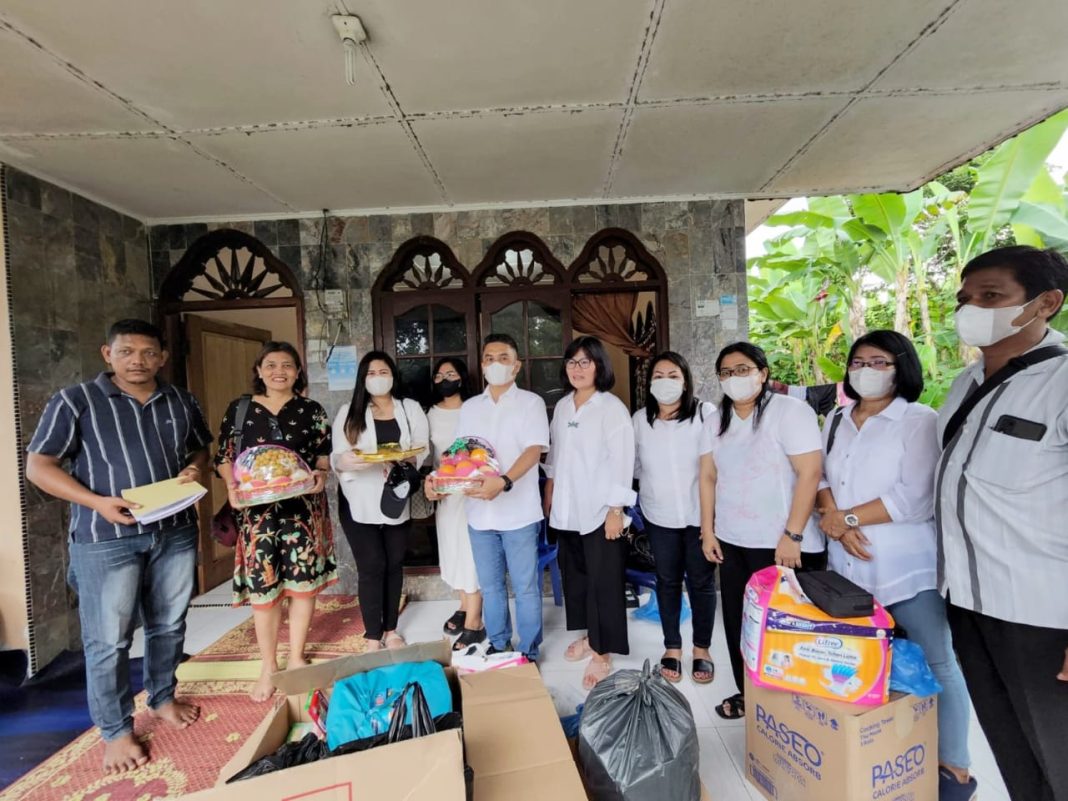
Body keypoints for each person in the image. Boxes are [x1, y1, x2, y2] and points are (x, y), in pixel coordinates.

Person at [25, 319, 212, 774]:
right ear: (107, 354)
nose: (139, 361)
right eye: (127, 352)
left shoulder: (180, 400)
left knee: (169, 623)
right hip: (104, 537)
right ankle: (115, 729)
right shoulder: (76, 401)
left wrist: (193, 470)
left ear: (163, 357)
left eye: (149, 353)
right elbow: (39, 465)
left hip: (174, 529)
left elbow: (200, 450)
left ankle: (163, 697)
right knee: (109, 639)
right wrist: (95, 502)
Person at [815, 330, 975, 801]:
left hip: (905, 566)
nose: (866, 369)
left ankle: (956, 767)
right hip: (846, 565)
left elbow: (916, 495)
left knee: (938, 661)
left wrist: (846, 517)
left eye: (879, 361)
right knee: (863, 662)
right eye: (859, 361)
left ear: (901, 366)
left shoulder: (918, 420)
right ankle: (880, 752)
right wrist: (835, 520)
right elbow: (823, 477)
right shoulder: (837, 419)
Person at [936, 245, 1068, 801]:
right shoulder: (964, 384)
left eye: (992, 296)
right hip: (968, 603)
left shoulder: (1060, 381)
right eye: (966, 298)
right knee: (1012, 747)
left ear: (1047, 303)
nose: (973, 308)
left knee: (1059, 756)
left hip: (1042, 615)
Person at [709, 342, 826, 720]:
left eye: (742, 369)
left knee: (784, 629)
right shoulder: (717, 420)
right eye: (726, 373)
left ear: (763, 372)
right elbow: (708, 476)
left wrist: (793, 535)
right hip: (732, 537)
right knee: (738, 622)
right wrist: (708, 531)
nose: (734, 378)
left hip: (780, 544)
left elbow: (810, 473)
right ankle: (748, 694)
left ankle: (791, 707)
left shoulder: (790, 412)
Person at [215, 342, 335, 702]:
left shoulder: (311, 410)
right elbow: (224, 456)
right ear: (259, 370)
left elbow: (322, 455)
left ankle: (297, 656)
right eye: (271, 364)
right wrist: (231, 486)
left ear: (298, 372)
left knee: (302, 586)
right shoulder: (240, 410)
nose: (279, 370)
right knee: (264, 592)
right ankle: (269, 665)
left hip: (302, 511)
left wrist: (322, 475)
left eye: (287, 365)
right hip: (258, 515)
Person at [543, 337, 636, 689]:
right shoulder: (564, 406)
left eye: (585, 362)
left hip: (600, 510)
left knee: (604, 582)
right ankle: (589, 636)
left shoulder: (611, 408)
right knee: (577, 577)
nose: (577, 368)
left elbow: (623, 460)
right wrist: (549, 492)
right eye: (572, 362)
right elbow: (554, 458)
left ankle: (602, 653)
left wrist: (616, 509)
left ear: (599, 366)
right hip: (567, 509)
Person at [454, 333, 549, 661]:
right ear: (482, 366)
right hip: (479, 514)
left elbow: (534, 450)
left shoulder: (531, 403)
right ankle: (498, 643)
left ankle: (528, 650)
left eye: (503, 358)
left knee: (524, 588)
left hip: (520, 513)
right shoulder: (469, 408)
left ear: (516, 366)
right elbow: (462, 455)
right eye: (489, 358)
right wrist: (452, 480)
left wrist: (504, 481)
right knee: (491, 587)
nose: (496, 364)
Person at [632, 351, 721, 686]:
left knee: (700, 582)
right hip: (659, 515)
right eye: (658, 376)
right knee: (667, 581)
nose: (665, 382)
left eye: (673, 376)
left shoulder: (705, 414)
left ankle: (702, 648)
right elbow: (635, 466)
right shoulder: (640, 419)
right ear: (649, 382)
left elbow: (712, 469)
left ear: (685, 381)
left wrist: (711, 524)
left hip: (700, 516)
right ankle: (672, 646)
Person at [332, 351, 429, 652]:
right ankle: (373, 635)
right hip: (357, 499)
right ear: (363, 379)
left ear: (393, 375)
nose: (378, 377)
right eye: (371, 373)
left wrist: (404, 461)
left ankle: (391, 629)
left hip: (395, 495)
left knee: (393, 563)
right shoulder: (349, 411)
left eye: (383, 371)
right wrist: (347, 461)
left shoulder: (409, 408)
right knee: (372, 565)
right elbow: (337, 456)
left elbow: (422, 447)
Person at [422, 357, 485, 650]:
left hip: (473, 492)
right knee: (452, 552)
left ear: (462, 378)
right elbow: (427, 455)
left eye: (451, 373)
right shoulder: (429, 413)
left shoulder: (475, 408)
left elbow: (482, 447)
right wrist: (431, 481)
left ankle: (476, 621)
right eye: (439, 375)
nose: (445, 378)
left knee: (470, 553)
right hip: (446, 494)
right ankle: (463, 605)